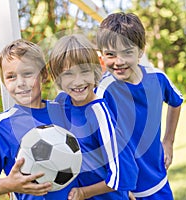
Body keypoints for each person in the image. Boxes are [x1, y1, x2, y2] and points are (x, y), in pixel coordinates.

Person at [95, 12, 183, 199]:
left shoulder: (157, 78)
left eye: (127, 52)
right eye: (111, 54)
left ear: (141, 50)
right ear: (102, 55)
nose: (119, 62)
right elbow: (100, 141)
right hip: (125, 189)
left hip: (158, 179)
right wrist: (122, 187)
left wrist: (168, 141)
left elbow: (176, 102)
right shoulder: (103, 91)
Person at [0, 39, 77, 199]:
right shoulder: (0, 125)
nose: (20, 83)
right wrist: (9, 184)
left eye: (28, 74)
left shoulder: (65, 111)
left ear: (43, 75)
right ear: (3, 81)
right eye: (11, 77)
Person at [48, 33, 138, 200]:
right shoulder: (61, 103)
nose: (78, 81)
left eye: (84, 71)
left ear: (95, 72)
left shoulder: (99, 114)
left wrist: (83, 193)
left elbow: (122, 175)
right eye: (68, 74)